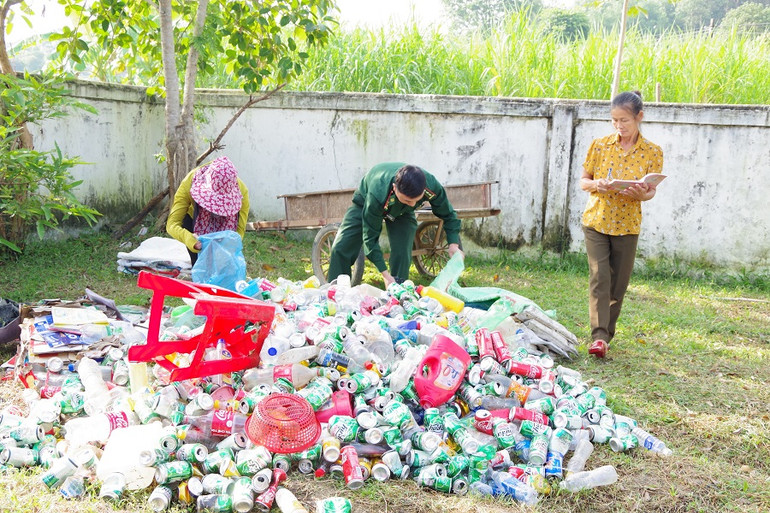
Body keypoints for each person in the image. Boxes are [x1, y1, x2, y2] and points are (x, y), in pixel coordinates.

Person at [579, 91, 663, 358]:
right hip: (597, 221)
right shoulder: (600, 145)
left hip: (627, 225)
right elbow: (584, 181)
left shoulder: (652, 152)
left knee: (618, 285)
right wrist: (597, 184)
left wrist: (643, 194)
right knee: (599, 277)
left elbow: (651, 192)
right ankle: (599, 336)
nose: (619, 126)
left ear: (639, 117)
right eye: (614, 120)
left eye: (624, 120)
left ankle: (607, 334)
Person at [327, 162, 463, 286]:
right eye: (408, 200)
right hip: (365, 202)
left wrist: (453, 244)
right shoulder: (377, 193)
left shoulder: (430, 185)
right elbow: (370, 238)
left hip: (403, 213)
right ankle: (336, 291)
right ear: (394, 188)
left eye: (417, 200)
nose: (413, 204)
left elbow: (449, 214)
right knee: (341, 247)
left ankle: (398, 288)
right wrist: (385, 275)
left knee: (403, 249)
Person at [166, 156, 250, 265]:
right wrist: (190, 239)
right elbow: (172, 225)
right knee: (200, 265)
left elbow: (239, 231)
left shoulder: (242, 192)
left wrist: (229, 245)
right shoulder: (189, 183)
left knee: (222, 267)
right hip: (195, 225)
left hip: (226, 226)